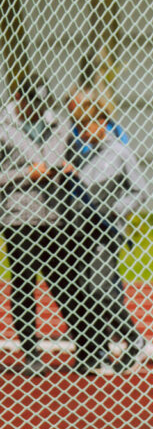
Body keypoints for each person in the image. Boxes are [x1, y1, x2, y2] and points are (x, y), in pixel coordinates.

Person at [0, 75, 96, 375]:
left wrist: (67, 169)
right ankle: (31, 352)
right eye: (32, 104)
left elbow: (82, 157)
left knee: (65, 282)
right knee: (25, 282)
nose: (38, 111)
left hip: (55, 217)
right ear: (20, 99)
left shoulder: (60, 126)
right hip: (20, 217)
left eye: (42, 105)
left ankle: (87, 348)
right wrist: (27, 173)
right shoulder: (4, 129)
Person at [62, 88, 148, 373]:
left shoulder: (120, 152)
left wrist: (115, 209)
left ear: (100, 122)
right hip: (82, 233)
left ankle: (134, 339)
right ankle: (98, 350)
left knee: (100, 291)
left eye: (84, 125)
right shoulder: (85, 154)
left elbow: (140, 191)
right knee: (88, 291)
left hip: (106, 233)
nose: (80, 132)